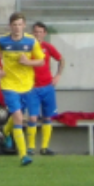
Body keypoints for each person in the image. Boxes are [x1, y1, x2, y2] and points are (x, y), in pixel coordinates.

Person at [0, 13, 46, 165]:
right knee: (19, 117)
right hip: (9, 85)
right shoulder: (2, 41)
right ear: (10, 26)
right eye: (14, 25)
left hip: (27, 85)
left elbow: (41, 61)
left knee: (27, 117)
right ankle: (23, 155)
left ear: (24, 26)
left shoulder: (31, 41)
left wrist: (28, 62)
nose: (17, 28)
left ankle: (6, 132)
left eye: (20, 24)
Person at [29, 22, 64, 156]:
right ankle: (31, 147)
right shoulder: (27, 47)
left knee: (47, 117)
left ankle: (44, 147)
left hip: (47, 87)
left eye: (40, 32)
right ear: (32, 33)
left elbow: (61, 59)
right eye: (35, 31)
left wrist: (58, 75)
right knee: (32, 118)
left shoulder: (48, 47)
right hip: (32, 88)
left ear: (45, 33)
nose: (38, 34)